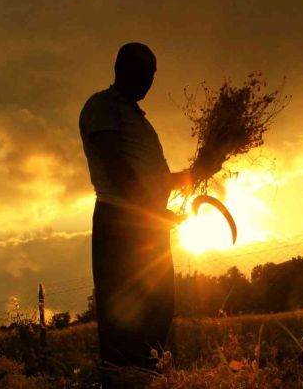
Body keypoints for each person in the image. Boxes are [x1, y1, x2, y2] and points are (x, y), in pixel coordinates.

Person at [79, 42, 218, 369]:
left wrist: (197, 173)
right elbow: (117, 167)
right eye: (143, 71)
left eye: (152, 74)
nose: (148, 80)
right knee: (125, 313)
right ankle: (124, 378)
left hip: (149, 224)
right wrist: (151, 210)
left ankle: (148, 375)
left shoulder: (139, 120)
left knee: (158, 307)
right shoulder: (102, 106)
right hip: (121, 222)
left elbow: (153, 178)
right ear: (120, 68)